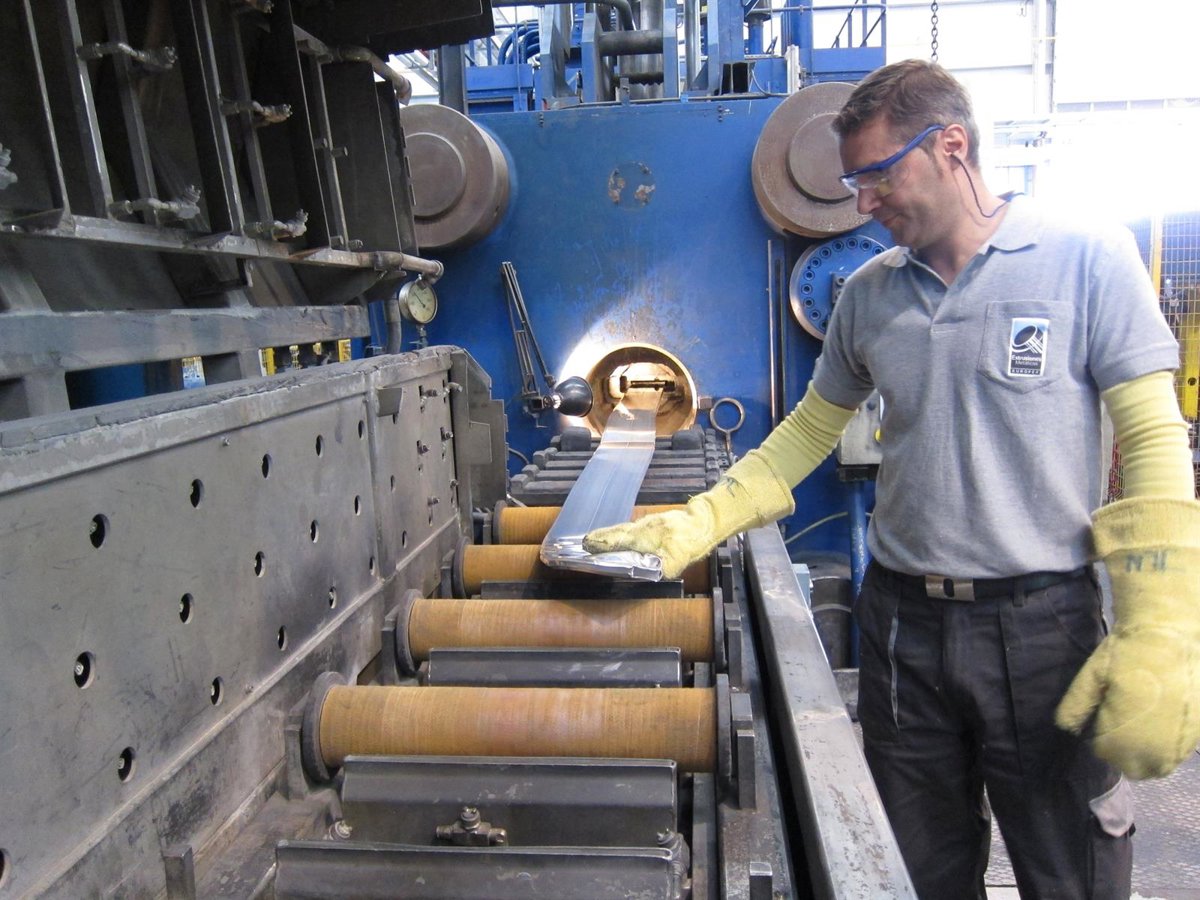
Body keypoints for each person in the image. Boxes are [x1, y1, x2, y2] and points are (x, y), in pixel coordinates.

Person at [585, 59, 1200, 899]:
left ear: (952, 147)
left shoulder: (1085, 257)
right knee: (916, 871)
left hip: (1042, 626)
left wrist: (1161, 623)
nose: (863, 203)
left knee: (1071, 871)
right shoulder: (870, 295)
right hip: (904, 626)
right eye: (855, 183)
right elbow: (809, 430)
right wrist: (699, 519)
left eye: (877, 176)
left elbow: (1153, 437)